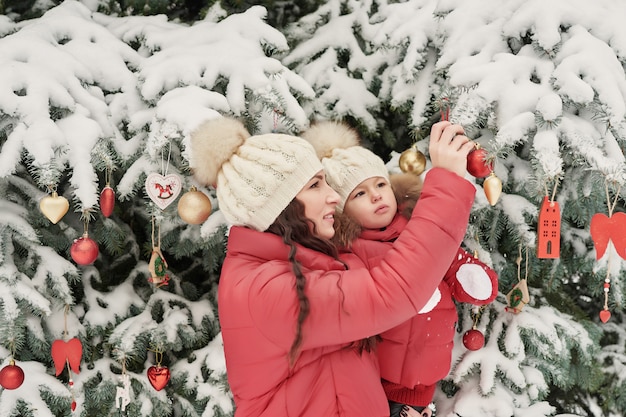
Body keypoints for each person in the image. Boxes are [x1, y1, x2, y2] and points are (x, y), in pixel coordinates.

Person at [189, 116, 476, 417]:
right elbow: (392, 290)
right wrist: (447, 182)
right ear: (279, 206)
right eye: (315, 185)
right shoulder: (264, 288)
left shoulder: (309, 263)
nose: (333, 196)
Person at [302, 120, 499, 417]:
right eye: (359, 194)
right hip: (380, 384)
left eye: (380, 184)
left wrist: (461, 272)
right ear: (342, 210)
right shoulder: (350, 252)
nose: (377, 195)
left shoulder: (418, 228)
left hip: (425, 381)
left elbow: (440, 254)